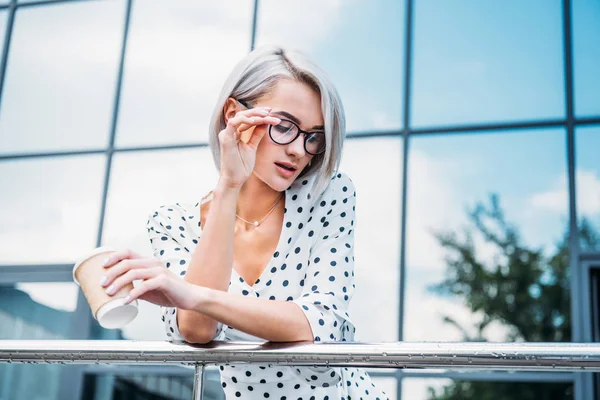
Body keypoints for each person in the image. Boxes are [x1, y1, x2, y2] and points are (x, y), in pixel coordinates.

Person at [99, 46, 388, 399]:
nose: (299, 149)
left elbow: (321, 325)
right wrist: (230, 184)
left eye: (314, 136)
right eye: (284, 126)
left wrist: (193, 294)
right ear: (235, 114)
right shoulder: (173, 222)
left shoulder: (329, 194)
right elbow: (197, 329)